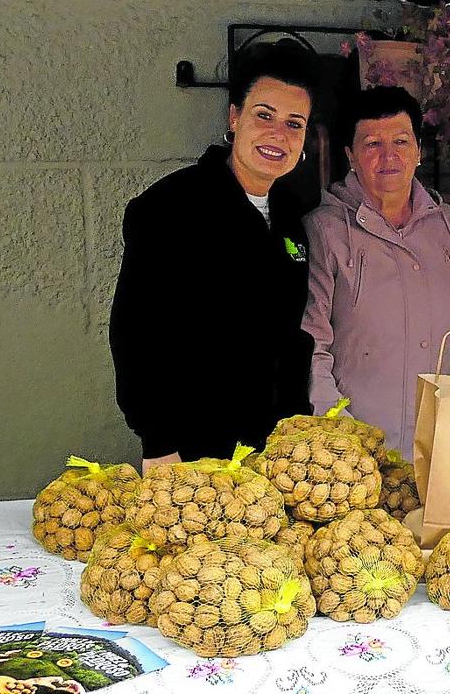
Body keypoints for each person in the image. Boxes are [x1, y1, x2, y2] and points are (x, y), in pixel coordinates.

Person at [109, 40, 321, 471]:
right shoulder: (172, 207)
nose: (278, 135)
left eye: (294, 124)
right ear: (234, 117)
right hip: (189, 454)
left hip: (272, 459)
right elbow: (136, 334)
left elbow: (290, 336)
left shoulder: (290, 217)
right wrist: (159, 442)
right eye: (264, 115)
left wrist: (297, 428)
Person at [300, 86, 450, 457]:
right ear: (351, 156)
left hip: (440, 448)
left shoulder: (448, 226)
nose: (388, 156)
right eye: (372, 144)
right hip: (354, 454)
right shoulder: (324, 231)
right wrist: (338, 434)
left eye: (401, 142)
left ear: (419, 152)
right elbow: (310, 346)